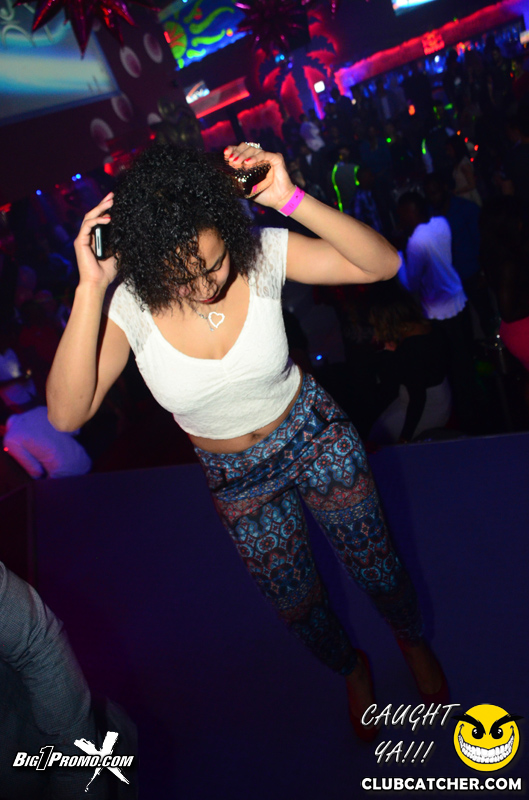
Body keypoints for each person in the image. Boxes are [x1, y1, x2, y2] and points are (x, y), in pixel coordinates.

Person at [46, 143, 447, 741]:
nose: (205, 284)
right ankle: (351, 667)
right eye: (182, 275)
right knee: (298, 608)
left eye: (213, 263)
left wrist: (289, 198)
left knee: (379, 568)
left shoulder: (258, 253)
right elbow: (66, 413)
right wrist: (90, 287)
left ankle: (411, 641)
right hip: (236, 478)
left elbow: (381, 265)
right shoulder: (130, 306)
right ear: (150, 262)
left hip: (313, 434)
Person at [397, 191, 477, 432]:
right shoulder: (441, 223)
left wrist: (399, 260)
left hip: (438, 312)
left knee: (451, 368)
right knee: (465, 359)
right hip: (459, 301)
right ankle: (476, 407)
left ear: (411, 212)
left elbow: (411, 284)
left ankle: (463, 418)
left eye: (402, 214)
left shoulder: (415, 242)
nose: (400, 218)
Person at [367, 279, 451, 444]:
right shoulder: (425, 328)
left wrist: (405, 438)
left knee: (377, 441)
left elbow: (418, 399)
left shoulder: (410, 349)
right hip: (439, 397)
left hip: (428, 408)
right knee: (378, 429)